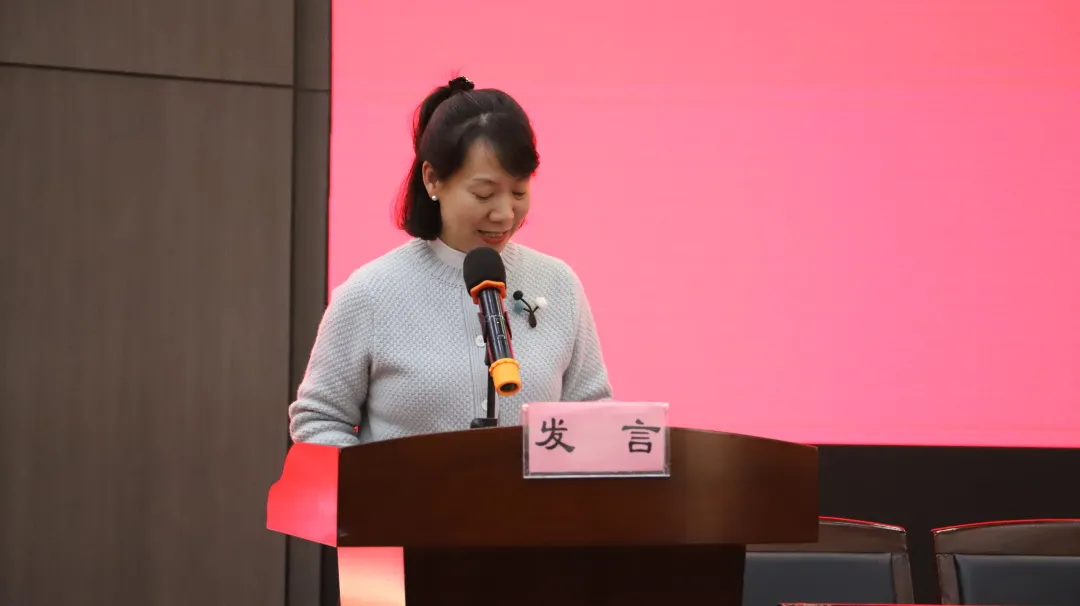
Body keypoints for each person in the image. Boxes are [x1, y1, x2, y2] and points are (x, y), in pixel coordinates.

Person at [288, 76, 612, 446]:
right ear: (432, 180)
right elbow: (319, 420)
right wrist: (381, 481)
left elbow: (593, 413)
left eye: (519, 191)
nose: (505, 214)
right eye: (484, 194)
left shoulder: (558, 283)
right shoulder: (371, 293)